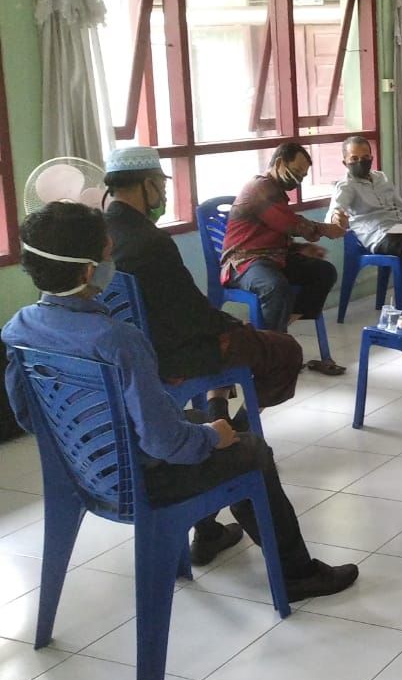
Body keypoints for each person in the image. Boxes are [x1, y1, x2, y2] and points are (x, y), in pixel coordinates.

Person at [3, 201, 358, 601]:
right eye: (106, 255)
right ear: (88, 270)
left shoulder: (18, 328)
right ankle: (296, 575)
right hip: (139, 481)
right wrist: (212, 438)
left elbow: (28, 416)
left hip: (81, 472)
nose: (110, 263)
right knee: (250, 450)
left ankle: (207, 532)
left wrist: (91, 439)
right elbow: (164, 444)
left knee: (196, 421)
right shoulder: (118, 340)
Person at [103, 146, 305, 564]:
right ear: (148, 184)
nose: (161, 193)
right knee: (282, 349)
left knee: (234, 349)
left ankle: (219, 417)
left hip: (146, 351)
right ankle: (236, 428)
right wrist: (231, 327)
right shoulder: (150, 240)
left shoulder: (104, 233)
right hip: (176, 355)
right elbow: (193, 314)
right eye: (160, 185)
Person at [221, 142, 347, 374]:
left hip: (273, 259)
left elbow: (278, 235)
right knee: (276, 287)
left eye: (303, 175)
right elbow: (288, 223)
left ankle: (277, 334)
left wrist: (300, 249)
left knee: (324, 271)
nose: (298, 179)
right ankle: (269, 357)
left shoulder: (276, 193)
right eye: (296, 171)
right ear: (279, 163)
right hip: (244, 262)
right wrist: (327, 230)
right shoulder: (258, 188)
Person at [326, 135, 402, 313]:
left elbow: (401, 204)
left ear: (371, 158)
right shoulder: (346, 186)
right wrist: (336, 219)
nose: (361, 161)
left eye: (365, 157)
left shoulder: (381, 177)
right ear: (345, 162)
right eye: (354, 158)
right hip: (379, 235)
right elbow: (334, 211)